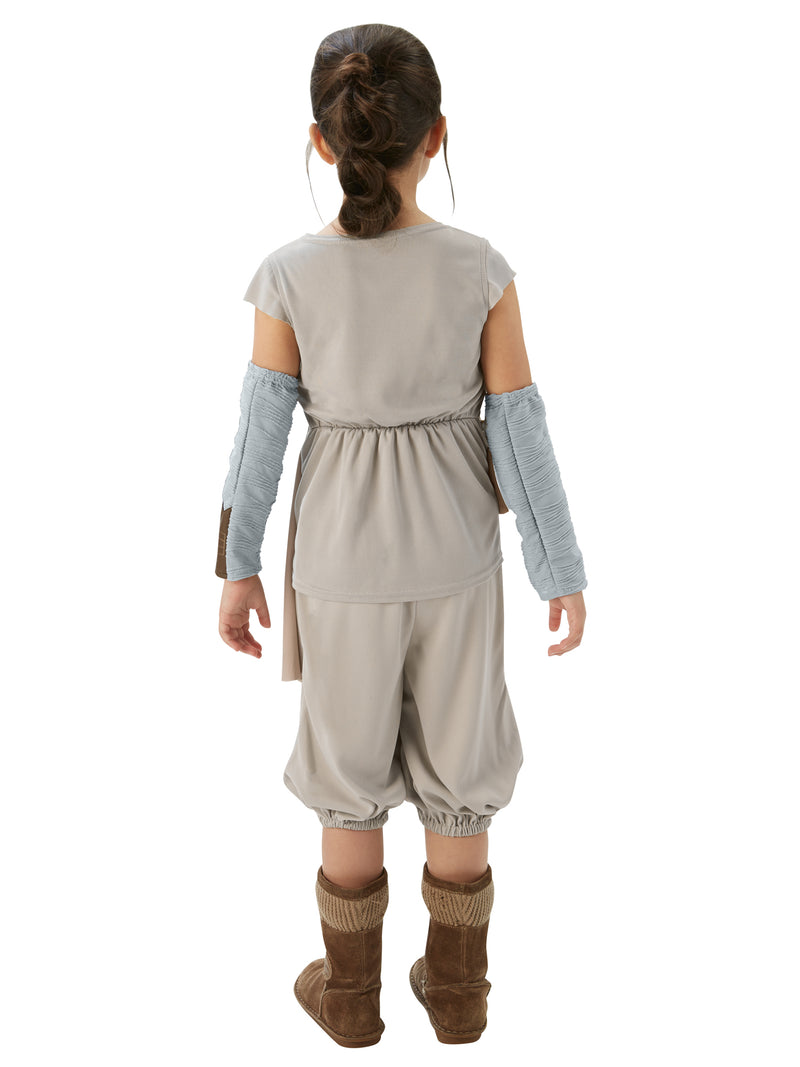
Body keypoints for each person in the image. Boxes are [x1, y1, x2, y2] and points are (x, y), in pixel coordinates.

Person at [215, 23, 588, 1048]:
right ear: (437, 136)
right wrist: (558, 568)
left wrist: (236, 566)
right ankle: (459, 994)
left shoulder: (286, 275)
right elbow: (519, 429)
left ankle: (349, 995)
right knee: (461, 771)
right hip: (457, 556)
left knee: (347, 776)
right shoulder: (480, 269)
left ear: (321, 142)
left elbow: (257, 437)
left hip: (337, 561)